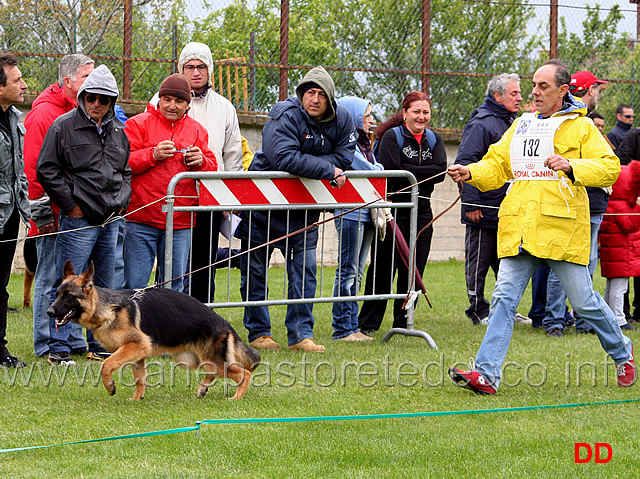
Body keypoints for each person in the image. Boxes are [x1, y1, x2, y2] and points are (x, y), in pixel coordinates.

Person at [447, 60, 635, 394]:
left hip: (561, 232)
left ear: (563, 91)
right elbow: (498, 164)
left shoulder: (582, 128)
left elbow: (609, 168)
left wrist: (572, 165)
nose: (534, 92)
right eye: (533, 85)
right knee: (503, 298)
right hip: (520, 227)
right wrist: (472, 172)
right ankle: (486, 375)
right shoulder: (521, 125)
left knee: (584, 303)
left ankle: (622, 352)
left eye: (543, 86)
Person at [239, 66, 356, 352]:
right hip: (263, 206)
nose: (314, 99)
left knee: (305, 272)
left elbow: (346, 157)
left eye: (321, 95)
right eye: (309, 93)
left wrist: (311, 162)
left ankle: (301, 335)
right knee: (254, 271)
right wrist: (326, 167)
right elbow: (282, 157)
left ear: (330, 100)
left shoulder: (342, 119)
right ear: (301, 94)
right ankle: (259, 333)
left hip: (304, 209)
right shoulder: (285, 114)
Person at [37, 65, 131, 366]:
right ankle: (58, 347)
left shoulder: (118, 130)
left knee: (104, 286)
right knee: (67, 285)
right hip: (79, 219)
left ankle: (101, 344)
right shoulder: (62, 126)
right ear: (82, 96)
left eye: (103, 99)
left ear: (112, 101)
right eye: (90, 97)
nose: (96, 104)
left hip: (110, 218)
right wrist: (70, 205)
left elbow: (124, 171)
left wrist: (122, 200)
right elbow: (46, 169)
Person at [149, 42, 243, 303]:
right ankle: (166, 321)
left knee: (203, 265)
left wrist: (229, 197)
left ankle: (203, 324)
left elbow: (232, 155)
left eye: (201, 66)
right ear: (180, 68)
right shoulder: (158, 102)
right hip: (171, 199)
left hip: (208, 199)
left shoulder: (225, 108)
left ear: (210, 70)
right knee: (170, 269)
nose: (196, 72)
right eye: (189, 66)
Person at [358, 91, 447, 335]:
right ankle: (368, 324)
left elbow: (441, 171)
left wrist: (412, 172)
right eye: (416, 111)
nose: (421, 117)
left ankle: (403, 321)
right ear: (405, 112)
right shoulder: (391, 137)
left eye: (425, 112)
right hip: (393, 212)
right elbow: (393, 172)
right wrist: (422, 173)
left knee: (414, 270)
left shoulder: (435, 139)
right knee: (383, 269)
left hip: (423, 213)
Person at [23, 54, 94, 358]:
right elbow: (33, 169)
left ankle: (72, 338)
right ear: (67, 81)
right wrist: (41, 214)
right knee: (49, 277)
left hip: (71, 212)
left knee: (71, 279)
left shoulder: (79, 111)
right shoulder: (43, 115)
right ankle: (45, 341)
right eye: (85, 78)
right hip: (51, 214)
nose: (92, 85)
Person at [123, 74, 217, 291]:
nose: (172, 106)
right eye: (167, 99)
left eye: (179, 101)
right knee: (133, 286)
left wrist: (201, 161)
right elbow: (123, 163)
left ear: (187, 105)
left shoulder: (197, 130)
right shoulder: (137, 124)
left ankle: (168, 325)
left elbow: (212, 166)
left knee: (174, 287)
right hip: (140, 218)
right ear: (159, 99)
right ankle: (132, 325)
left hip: (180, 221)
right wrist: (152, 155)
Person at [454, 73, 522, 325]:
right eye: (514, 93)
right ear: (498, 96)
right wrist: (470, 203)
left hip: (506, 207)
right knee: (478, 262)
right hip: (482, 206)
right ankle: (478, 309)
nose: (520, 98)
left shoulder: (512, 123)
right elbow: (465, 161)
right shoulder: (481, 123)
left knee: (505, 263)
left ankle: (505, 309)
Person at [331, 96, 382, 342]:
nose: (371, 120)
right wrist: (379, 170)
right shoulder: (347, 142)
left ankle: (352, 325)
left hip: (367, 210)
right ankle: (342, 327)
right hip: (350, 209)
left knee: (358, 270)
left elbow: (375, 167)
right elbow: (371, 169)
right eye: (367, 116)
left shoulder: (365, 143)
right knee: (348, 269)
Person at [0, 53, 30, 368]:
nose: (23, 85)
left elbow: (17, 172)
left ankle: (0, 351)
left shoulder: (14, 118)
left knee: (1, 288)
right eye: (17, 80)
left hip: (8, 216)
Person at [599, 161, 640, 330]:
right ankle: (618, 318)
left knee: (613, 287)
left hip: (617, 254)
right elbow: (629, 225)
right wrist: (638, 209)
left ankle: (609, 315)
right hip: (621, 255)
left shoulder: (613, 203)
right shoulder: (621, 205)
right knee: (619, 288)